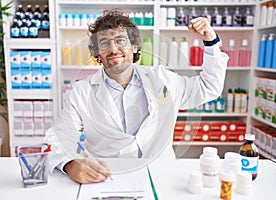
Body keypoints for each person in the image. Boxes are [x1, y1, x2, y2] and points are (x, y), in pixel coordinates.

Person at [44, 8, 229, 184]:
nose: (113, 49)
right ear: (98, 53)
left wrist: (211, 43)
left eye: (120, 41)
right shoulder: (82, 91)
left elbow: (208, 86)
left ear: (134, 46)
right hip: (108, 178)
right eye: (104, 43)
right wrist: (70, 163)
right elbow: (59, 136)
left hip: (162, 176)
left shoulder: (163, 79)